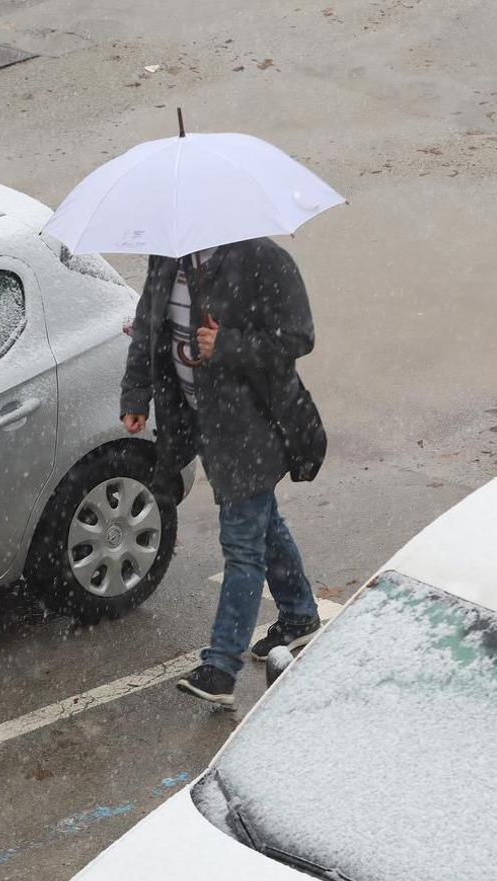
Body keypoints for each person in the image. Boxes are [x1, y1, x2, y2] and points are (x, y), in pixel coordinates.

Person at [120, 237, 324, 707]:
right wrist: (136, 396)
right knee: (260, 521)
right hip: (197, 422)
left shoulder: (263, 259)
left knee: (241, 544)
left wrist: (227, 344)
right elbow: (148, 332)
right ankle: (298, 617)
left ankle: (221, 668)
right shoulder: (168, 259)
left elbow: (298, 336)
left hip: (251, 425)